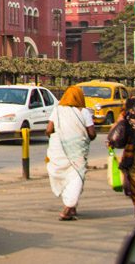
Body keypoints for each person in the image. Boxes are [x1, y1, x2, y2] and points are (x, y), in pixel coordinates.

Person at [46, 85, 96, 220]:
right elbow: (92, 134)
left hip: (59, 151)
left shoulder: (57, 111)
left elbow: (49, 130)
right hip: (78, 151)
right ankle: (68, 207)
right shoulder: (84, 112)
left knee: (66, 176)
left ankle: (72, 207)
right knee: (76, 176)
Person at [118, 95, 135, 219]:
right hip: (134, 151)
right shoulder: (132, 102)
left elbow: (120, 123)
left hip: (134, 151)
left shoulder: (132, 102)